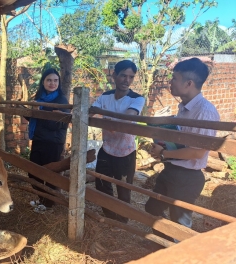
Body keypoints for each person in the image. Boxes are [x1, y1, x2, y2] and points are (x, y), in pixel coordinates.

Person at [146, 58, 220, 241]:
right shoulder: (183, 108)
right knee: (152, 208)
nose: (170, 82)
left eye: (174, 78)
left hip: (188, 176)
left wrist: (163, 153)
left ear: (189, 83)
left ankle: (178, 253)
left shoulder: (205, 112)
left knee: (179, 222)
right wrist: (162, 145)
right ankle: (163, 245)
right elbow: (181, 140)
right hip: (172, 169)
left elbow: (197, 152)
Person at [91, 60, 145, 223]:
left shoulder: (137, 99)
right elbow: (90, 112)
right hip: (107, 149)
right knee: (101, 184)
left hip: (126, 152)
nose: (126, 80)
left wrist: (110, 122)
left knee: (123, 189)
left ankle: (122, 221)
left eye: (131, 77)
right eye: (123, 75)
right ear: (114, 75)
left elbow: (127, 118)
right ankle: (110, 216)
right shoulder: (105, 97)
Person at [25, 68, 70, 208]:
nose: (52, 83)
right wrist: (29, 111)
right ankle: (44, 200)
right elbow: (32, 117)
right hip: (38, 140)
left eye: (55, 80)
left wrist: (41, 113)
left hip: (53, 143)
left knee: (50, 173)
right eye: (49, 80)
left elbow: (57, 125)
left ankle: (48, 204)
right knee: (33, 173)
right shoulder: (40, 97)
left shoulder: (61, 100)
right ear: (43, 82)